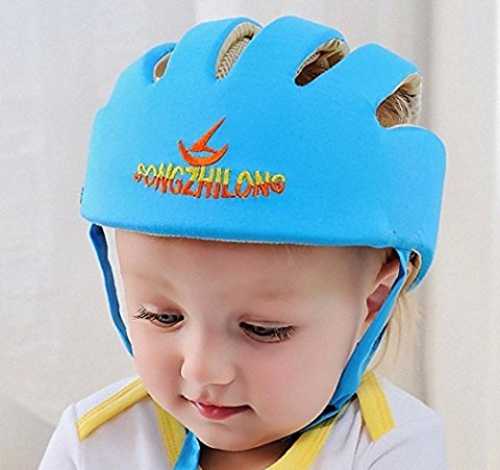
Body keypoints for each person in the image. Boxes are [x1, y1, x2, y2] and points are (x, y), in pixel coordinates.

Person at [39, 14, 448, 470]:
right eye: (162, 316)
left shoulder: (391, 446)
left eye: (262, 329)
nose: (201, 370)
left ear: (372, 301)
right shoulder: (93, 441)